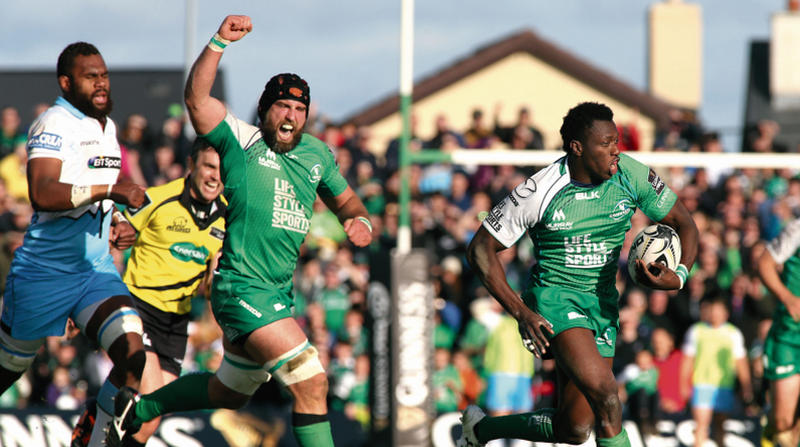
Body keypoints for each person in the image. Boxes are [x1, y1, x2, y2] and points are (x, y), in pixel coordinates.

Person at [105, 15, 372, 447]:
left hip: (278, 292)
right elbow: (196, 99)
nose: (291, 115)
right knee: (311, 381)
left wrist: (358, 220)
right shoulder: (240, 140)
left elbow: (347, 201)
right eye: (283, 106)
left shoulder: (317, 154)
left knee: (227, 393)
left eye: (300, 109)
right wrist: (217, 43)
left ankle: (144, 408)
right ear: (265, 109)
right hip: (241, 287)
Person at [458, 101, 698, 447]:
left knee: (573, 428)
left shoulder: (630, 174)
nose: (616, 149)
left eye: (616, 140)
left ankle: (480, 432)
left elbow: (684, 223)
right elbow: (480, 248)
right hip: (555, 299)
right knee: (606, 393)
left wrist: (679, 275)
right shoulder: (539, 190)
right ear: (577, 148)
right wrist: (521, 312)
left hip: (601, 303)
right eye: (606, 143)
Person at [0, 41, 147, 446]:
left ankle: (92, 434)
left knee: (133, 355)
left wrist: (117, 222)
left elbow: (95, 198)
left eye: (103, 74)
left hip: (94, 273)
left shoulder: (108, 127)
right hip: (43, 274)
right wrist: (112, 192)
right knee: (9, 369)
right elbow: (43, 193)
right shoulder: (53, 123)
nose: (101, 83)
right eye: (90, 76)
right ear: (66, 82)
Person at [71, 138, 226, 446]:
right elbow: (109, 239)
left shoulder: (227, 218)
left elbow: (211, 285)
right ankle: (95, 423)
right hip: (138, 306)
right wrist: (83, 297)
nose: (215, 177)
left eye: (221, 170)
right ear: (192, 165)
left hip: (176, 323)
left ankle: (94, 416)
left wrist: (219, 284)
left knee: (149, 420)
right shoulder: (157, 199)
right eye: (209, 166)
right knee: (149, 389)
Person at [679, 295, 752, 447]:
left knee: (720, 427)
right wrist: (683, 384)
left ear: (726, 313)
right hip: (701, 384)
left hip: (724, 386)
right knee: (701, 427)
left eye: (719, 310)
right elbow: (687, 360)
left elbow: (741, 363)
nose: (715, 313)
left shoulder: (734, 333)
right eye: (712, 309)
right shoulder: (696, 331)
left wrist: (746, 386)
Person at [757, 217, 800, 447]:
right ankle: (771, 425)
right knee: (783, 422)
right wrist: (788, 298)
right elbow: (764, 263)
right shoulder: (797, 229)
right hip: (789, 334)